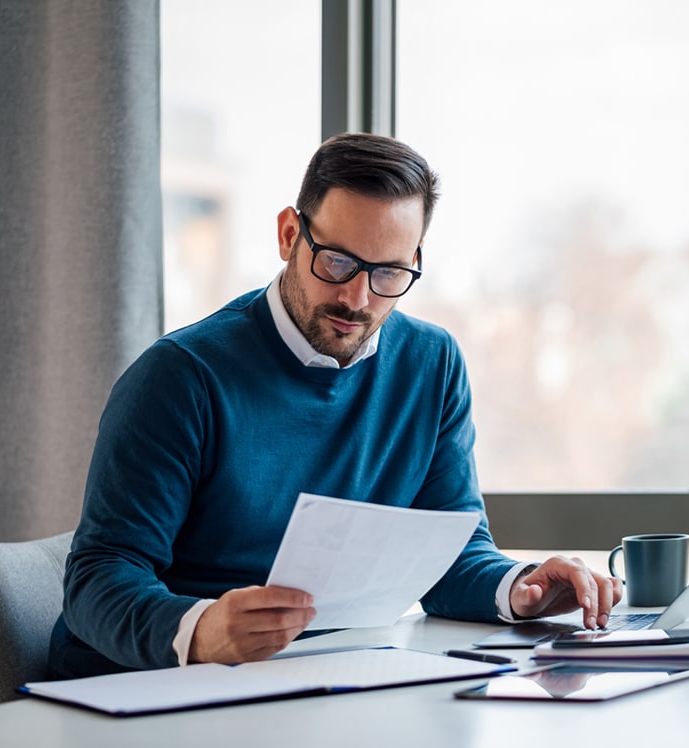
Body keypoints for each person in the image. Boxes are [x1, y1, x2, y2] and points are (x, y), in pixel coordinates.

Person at [49, 132, 622, 677]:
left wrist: (523, 588)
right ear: (288, 236)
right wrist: (201, 629)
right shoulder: (180, 377)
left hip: (320, 679)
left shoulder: (433, 364)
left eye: (389, 272)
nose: (357, 297)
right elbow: (98, 580)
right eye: (338, 262)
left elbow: (451, 553)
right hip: (148, 690)